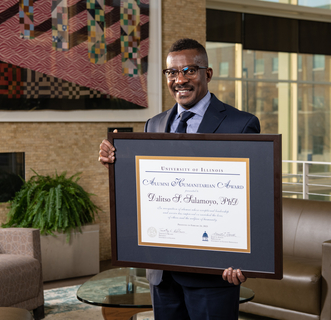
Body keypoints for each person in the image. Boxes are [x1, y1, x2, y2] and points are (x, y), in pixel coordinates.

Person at [99, 38, 261, 320]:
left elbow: (254, 198)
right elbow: (145, 186)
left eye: (189, 70)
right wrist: (115, 164)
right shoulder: (154, 124)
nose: (180, 79)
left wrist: (244, 258)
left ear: (207, 74)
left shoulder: (241, 124)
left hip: (213, 272)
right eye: (172, 72)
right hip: (163, 272)